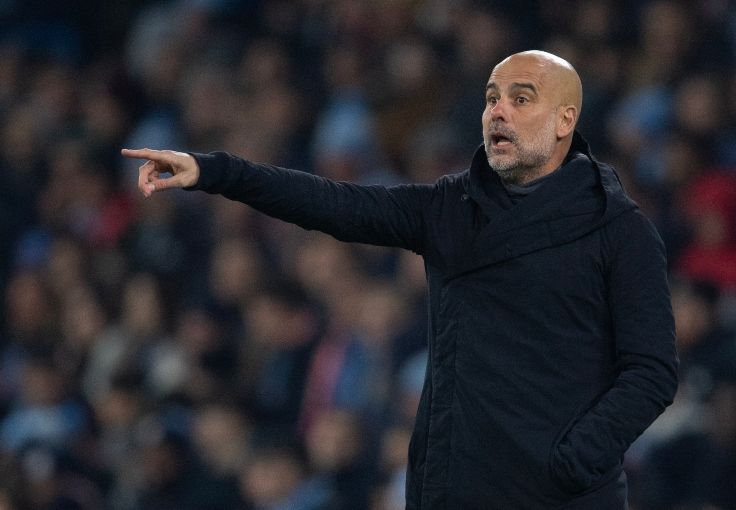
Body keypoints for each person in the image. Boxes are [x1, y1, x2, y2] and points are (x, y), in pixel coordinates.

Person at [122, 50, 678, 510]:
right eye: (491, 98)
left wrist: (573, 460)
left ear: (565, 121)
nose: (497, 112)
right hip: (453, 492)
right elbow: (333, 204)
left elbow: (651, 372)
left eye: (521, 99)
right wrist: (216, 171)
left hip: (562, 498)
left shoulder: (619, 231)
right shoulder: (450, 208)